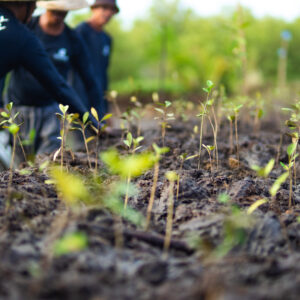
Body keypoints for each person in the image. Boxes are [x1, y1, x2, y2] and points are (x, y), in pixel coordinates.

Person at [5, 0, 103, 157]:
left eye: (62, 12)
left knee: (47, 161)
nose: (57, 16)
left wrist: (97, 118)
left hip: (52, 109)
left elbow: (89, 80)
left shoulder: (72, 39)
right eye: (54, 11)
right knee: (20, 160)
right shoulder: (25, 30)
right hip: (19, 106)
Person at [72, 0, 119, 116]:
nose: (107, 13)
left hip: (98, 101)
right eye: (104, 8)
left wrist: (106, 109)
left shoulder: (106, 39)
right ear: (93, 9)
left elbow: (104, 73)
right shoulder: (79, 33)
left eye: (111, 9)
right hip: (79, 99)